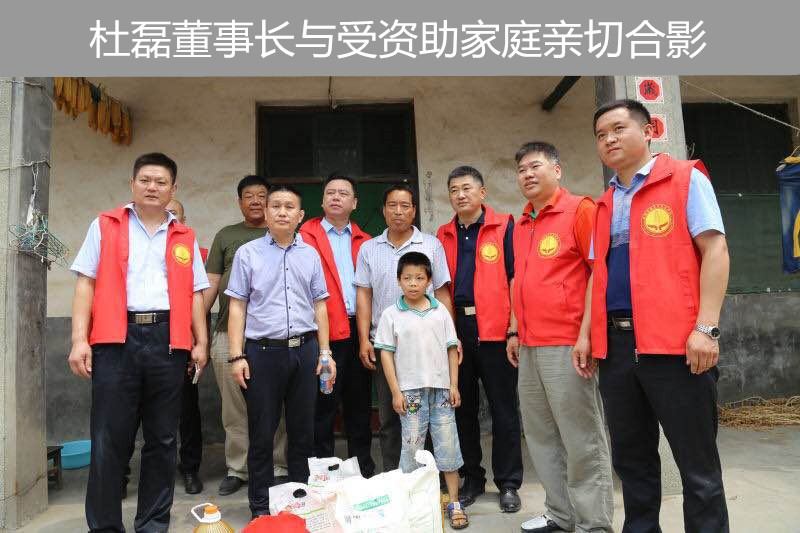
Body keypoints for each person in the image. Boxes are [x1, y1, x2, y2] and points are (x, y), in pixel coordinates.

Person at [591, 99, 730, 532]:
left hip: (676, 345)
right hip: (617, 348)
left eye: (618, 128)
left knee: (697, 468)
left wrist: (706, 327)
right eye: (601, 135)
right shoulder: (604, 202)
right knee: (632, 464)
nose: (609, 139)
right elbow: (598, 276)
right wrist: (588, 337)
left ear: (648, 130)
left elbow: (715, 250)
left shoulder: (685, 179)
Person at [68, 152, 210, 532]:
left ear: (173, 189)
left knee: (163, 439)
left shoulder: (184, 236)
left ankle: (152, 524)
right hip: (116, 340)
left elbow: (196, 293)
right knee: (108, 438)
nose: (152, 187)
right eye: (145, 180)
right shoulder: (105, 225)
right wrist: (79, 339)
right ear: (132, 184)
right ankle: (105, 526)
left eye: (161, 182)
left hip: (167, 341)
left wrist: (201, 342)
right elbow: (85, 283)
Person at [507, 142, 613, 533]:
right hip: (530, 345)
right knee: (540, 435)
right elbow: (521, 281)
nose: (527, 174)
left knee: (581, 437)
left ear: (557, 170)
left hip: (567, 344)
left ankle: (594, 523)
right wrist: (515, 329)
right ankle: (560, 514)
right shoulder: (523, 223)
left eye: (535, 166)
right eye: (521, 170)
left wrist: (587, 334)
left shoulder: (580, 210)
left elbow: (597, 272)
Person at [225, 184, 336, 518]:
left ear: (300, 215)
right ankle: (260, 506)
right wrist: (236, 355)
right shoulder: (248, 254)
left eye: (289, 207)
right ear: (266, 213)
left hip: (305, 350)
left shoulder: (310, 254)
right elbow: (237, 307)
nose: (282, 212)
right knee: (262, 432)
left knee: (303, 432)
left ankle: (299, 502)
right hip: (262, 353)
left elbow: (320, 306)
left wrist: (325, 353)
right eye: (276, 206)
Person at [436, 166, 523, 512]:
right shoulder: (443, 234)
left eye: (467, 188)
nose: (460, 195)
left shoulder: (503, 226)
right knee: (463, 410)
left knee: (504, 410)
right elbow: (441, 286)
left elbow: (515, 279)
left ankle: (509, 483)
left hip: (498, 331)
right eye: (454, 190)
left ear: (482, 193)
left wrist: (514, 328)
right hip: (459, 330)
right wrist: (448, 335)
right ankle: (472, 478)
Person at [354, 183, 454, 472]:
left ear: (414, 211)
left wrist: (451, 338)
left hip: (428, 346)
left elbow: (442, 292)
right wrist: (364, 339)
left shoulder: (431, 245)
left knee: (432, 414)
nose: (398, 211)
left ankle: (430, 479)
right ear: (384, 210)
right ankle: (395, 479)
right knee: (390, 416)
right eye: (392, 205)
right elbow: (364, 295)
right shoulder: (369, 249)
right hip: (387, 346)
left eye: (405, 206)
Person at [203, 175, 290, 496]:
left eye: (261, 195)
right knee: (234, 407)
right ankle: (238, 468)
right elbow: (211, 284)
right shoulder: (226, 236)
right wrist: (197, 331)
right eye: (248, 196)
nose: (255, 201)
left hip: (273, 337)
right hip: (228, 333)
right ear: (240, 202)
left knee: (276, 405)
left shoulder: (285, 235)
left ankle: (278, 465)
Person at [374, 252, 468, 530]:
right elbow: (386, 355)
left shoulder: (440, 312)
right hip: (410, 393)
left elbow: (452, 349)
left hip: (441, 392)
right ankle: (410, 505)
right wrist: (395, 391)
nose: (413, 283)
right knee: (412, 447)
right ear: (398, 281)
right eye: (407, 278)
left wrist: (453, 385)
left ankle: (454, 502)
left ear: (429, 281)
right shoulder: (391, 315)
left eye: (419, 278)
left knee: (448, 445)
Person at [299, 174, 375, 476]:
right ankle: (323, 473)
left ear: (354, 203)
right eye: (330, 192)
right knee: (323, 406)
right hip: (322, 334)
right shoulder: (305, 236)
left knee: (359, 405)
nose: (336, 197)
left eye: (343, 193)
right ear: (321, 201)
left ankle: (363, 470)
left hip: (359, 331)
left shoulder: (366, 241)